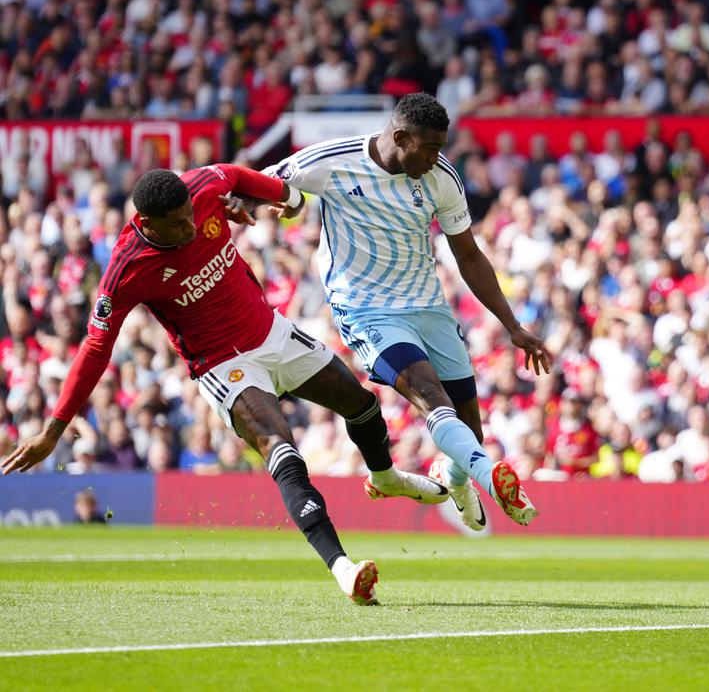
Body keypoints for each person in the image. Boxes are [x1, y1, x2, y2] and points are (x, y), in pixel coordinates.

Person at [2, 167, 451, 606]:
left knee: (362, 404)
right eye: (177, 224)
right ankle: (343, 568)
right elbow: (95, 349)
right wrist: (54, 429)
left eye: (190, 215)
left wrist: (278, 197)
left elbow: (239, 177)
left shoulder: (202, 187)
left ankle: (385, 476)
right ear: (145, 223)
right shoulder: (125, 270)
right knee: (282, 447)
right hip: (223, 364)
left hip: (271, 332)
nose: (189, 226)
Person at [266, 93, 551, 531]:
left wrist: (511, 325)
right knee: (430, 395)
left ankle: (455, 480)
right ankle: (492, 478)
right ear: (399, 137)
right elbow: (265, 183)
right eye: (431, 147)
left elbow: (470, 256)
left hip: (428, 306)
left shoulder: (441, 177)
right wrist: (260, 204)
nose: (437, 157)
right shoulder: (333, 161)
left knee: (467, 427)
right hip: (367, 311)